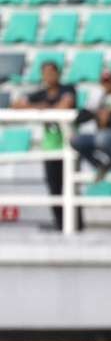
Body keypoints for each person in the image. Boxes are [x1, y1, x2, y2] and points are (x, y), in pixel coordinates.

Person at [12, 61, 82, 231]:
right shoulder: (40, 94)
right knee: (54, 189)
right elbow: (16, 105)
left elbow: (65, 105)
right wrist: (40, 107)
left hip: (69, 147)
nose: (49, 76)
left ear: (58, 74)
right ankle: (60, 225)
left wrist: (43, 109)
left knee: (72, 188)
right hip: (50, 148)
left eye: (52, 72)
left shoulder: (67, 89)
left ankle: (76, 226)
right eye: (46, 73)